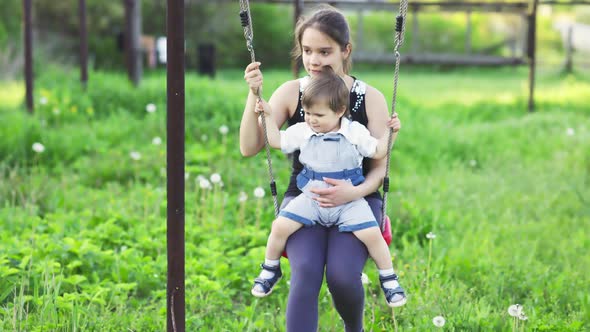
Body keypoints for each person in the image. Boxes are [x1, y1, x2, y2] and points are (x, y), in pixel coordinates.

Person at [240, 5, 404, 331]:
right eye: (307, 51)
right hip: (306, 195)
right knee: (306, 273)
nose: (315, 60)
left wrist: (352, 192)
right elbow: (249, 147)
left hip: (357, 196)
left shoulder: (367, 98)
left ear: (346, 50)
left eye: (325, 51)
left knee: (343, 277)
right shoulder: (293, 91)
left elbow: (379, 168)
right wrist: (253, 95)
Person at [250, 69, 406, 310]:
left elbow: (377, 151)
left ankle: (389, 278)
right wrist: (267, 116)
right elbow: (275, 140)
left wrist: (390, 133)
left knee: (373, 236)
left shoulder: (354, 131)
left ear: (340, 111)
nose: (312, 119)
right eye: (308, 113)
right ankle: (270, 268)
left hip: (349, 202)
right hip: (311, 197)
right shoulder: (303, 130)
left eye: (319, 115)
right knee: (279, 226)